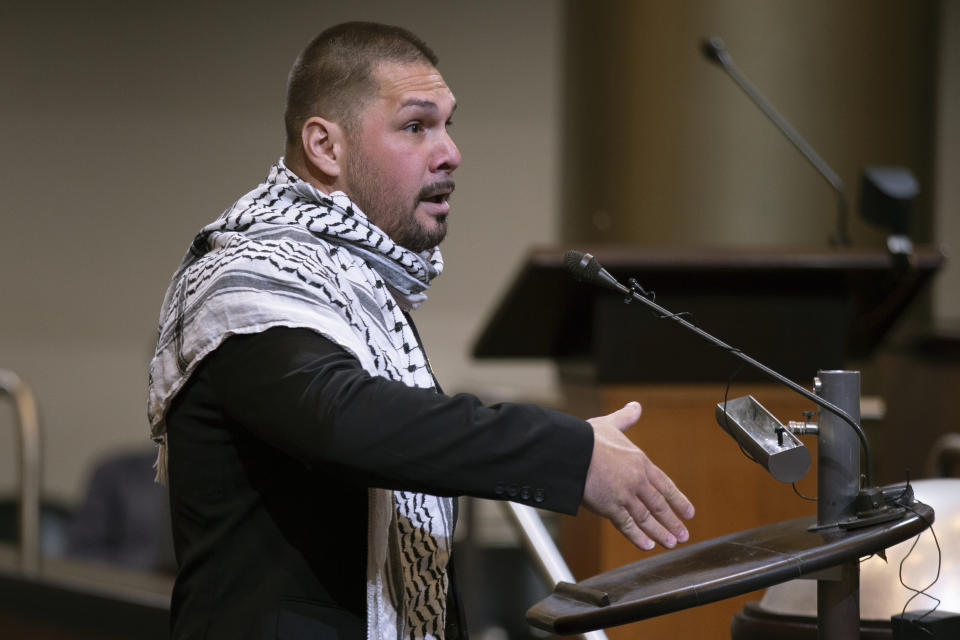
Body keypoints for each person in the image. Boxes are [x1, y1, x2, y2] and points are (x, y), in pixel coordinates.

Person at [147, 21, 694, 640]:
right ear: (326, 147)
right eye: (415, 126)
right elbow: (347, 420)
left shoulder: (359, 288)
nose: (450, 152)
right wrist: (571, 455)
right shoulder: (249, 273)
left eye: (447, 125)